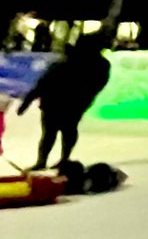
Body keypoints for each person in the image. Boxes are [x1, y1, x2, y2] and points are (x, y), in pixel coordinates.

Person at [15, 32, 112, 171]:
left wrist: (27, 101)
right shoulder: (98, 64)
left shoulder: (70, 61)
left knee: (54, 132)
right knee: (63, 131)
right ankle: (59, 159)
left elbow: (44, 82)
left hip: (60, 102)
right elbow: (46, 81)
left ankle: (48, 161)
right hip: (66, 103)